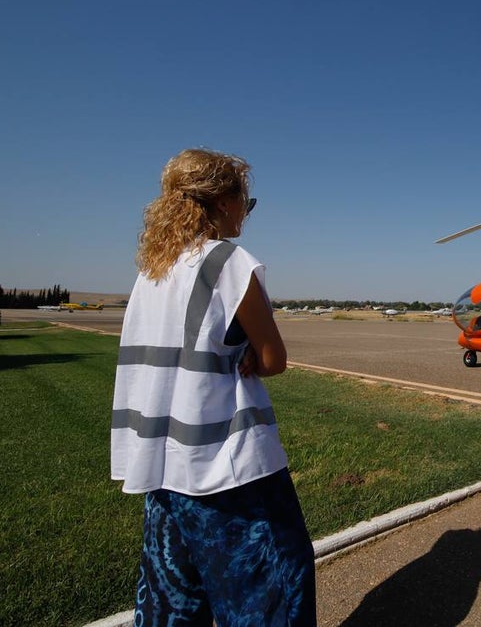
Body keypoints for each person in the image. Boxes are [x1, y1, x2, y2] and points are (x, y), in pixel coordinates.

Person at [111, 148, 316, 626]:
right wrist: (248, 352)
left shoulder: (153, 270)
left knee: (175, 599)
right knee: (274, 586)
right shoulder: (228, 261)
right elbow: (274, 359)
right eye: (247, 201)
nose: (246, 211)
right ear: (224, 201)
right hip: (226, 465)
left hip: (162, 466)